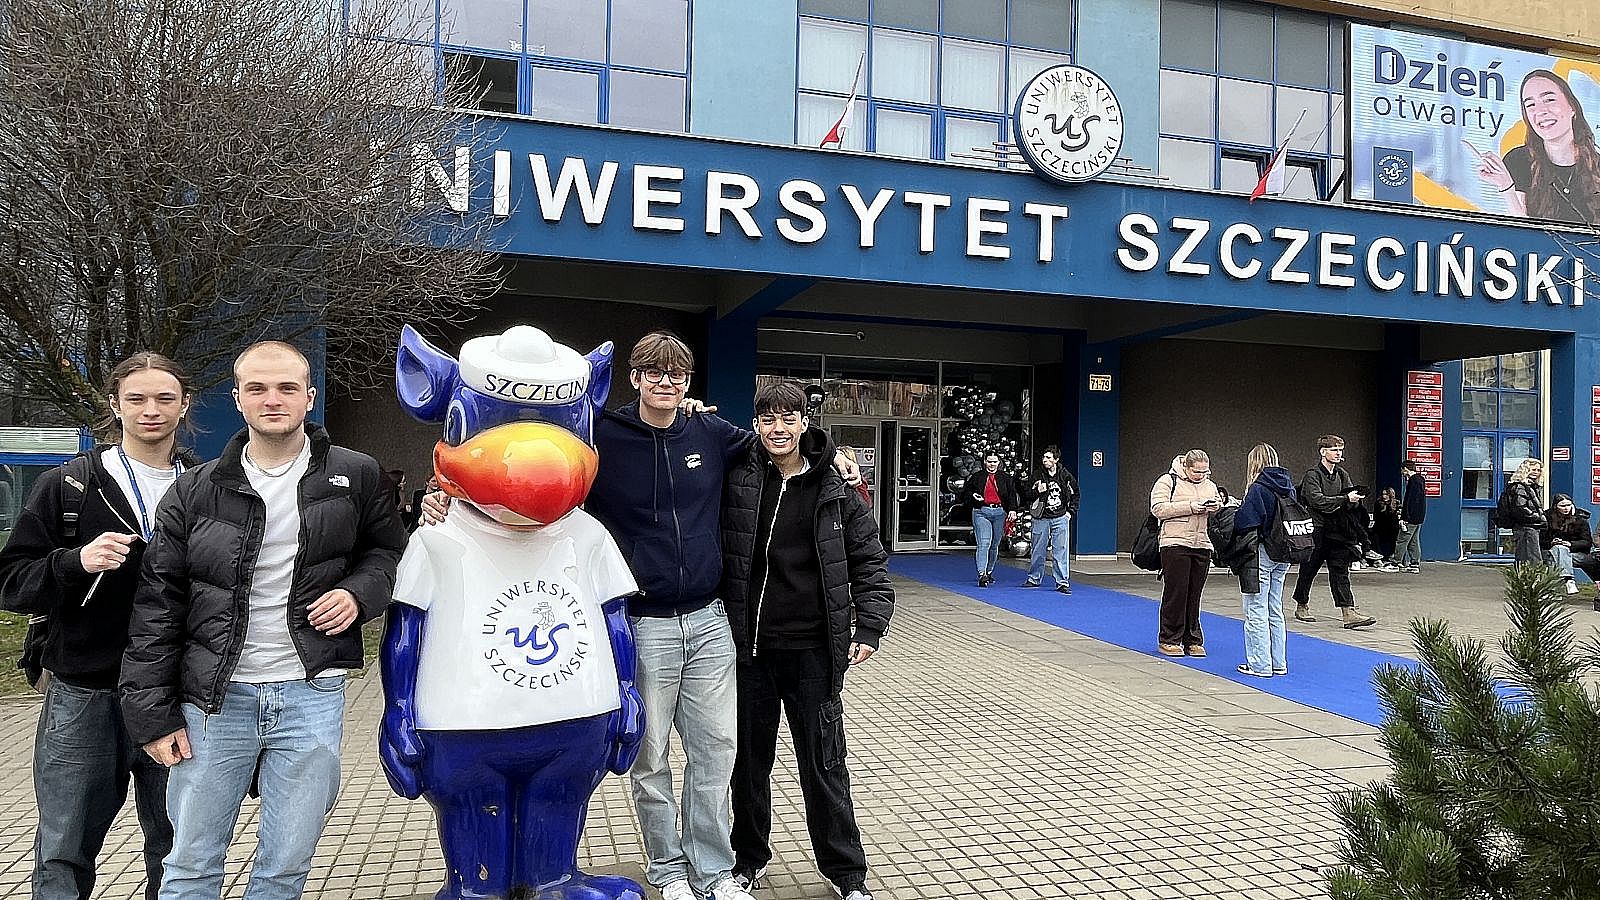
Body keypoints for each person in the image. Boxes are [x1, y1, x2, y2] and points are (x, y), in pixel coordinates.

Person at [418, 332, 857, 900]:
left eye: (677, 374)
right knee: (651, 758)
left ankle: (714, 870)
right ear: (635, 379)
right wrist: (443, 493)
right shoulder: (605, 434)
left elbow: (781, 446)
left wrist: (834, 459)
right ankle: (667, 868)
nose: (666, 383)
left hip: (709, 621)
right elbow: (528, 460)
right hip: (644, 623)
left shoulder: (710, 433)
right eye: (654, 373)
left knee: (716, 752)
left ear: (688, 381)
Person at [119, 340, 407, 900]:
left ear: (309, 397)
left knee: (285, 867)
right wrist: (152, 716)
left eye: (286, 388)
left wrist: (357, 594)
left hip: (311, 693)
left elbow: (388, 553)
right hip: (213, 700)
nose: (272, 399)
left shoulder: (356, 474)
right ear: (238, 399)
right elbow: (158, 606)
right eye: (257, 388)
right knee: (191, 864)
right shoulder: (195, 488)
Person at [0, 352, 194, 900]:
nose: (151, 410)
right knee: (64, 851)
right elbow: (10, 580)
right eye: (136, 399)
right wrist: (74, 562)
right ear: (115, 405)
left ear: (184, 407)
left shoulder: (206, 486)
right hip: (84, 695)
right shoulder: (71, 485)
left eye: (164, 398)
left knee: (180, 851)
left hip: (175, 695)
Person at [719, 382, 893, 900]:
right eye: (768, 419)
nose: (778, 429)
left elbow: (869, 562)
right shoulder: (740, 474)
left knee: (824, 766)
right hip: (750, 651)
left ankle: (846, 873)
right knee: (748, 767)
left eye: (788, 418)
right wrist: (687, 407)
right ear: (756, 424)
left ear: (803, 422)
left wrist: (869, 627)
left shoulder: (835, 486)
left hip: (814, 652)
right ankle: (747, 860)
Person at [1475, 69, 1600, 224]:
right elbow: (1521, 230)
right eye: (1530, 105)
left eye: (1549, 100)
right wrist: (1506, 186)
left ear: (1572, 107)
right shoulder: (1518, 160)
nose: (1540, 111)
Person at [1290, 435, 1378, 629]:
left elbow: (1348, 498)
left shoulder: (1341, 474)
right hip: (1317, 529)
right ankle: (1301, 604)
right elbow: (1317, 500)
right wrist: (1345, 499)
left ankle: (1348, 612)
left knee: (1340, 571)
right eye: (1334, 450)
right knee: (1309, 569)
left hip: (1338, 530)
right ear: (1323, 452)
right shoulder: (1312, 475)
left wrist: (1355, 499)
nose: (1338, 453)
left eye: (1340, 450)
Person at [1230, 444, 1296, 677]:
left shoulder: (1258, 488)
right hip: (1284, 552)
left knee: (1255, 608)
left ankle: (1260, 664)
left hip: (1262, 552)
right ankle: (1279, 662)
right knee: (1275, 608)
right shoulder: (1288, 486)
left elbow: (1245, 522)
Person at [1150, 450, 1224, 657]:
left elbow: (1218, 505)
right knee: (1176, 593)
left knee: (1194, 594)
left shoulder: (1210, 485)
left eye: (1204, 472)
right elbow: (1158, 508)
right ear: (1186, 466)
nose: (1200, 475)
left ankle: (1192, 639)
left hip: (1202, 543)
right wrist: (1191, 507)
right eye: (1196, 471)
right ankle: (1169, 638)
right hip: (1175, 543)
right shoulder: (1167, 481)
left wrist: (1216, 506)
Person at [1023, 445, 1079, 594]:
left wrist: (1070, 512)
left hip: (1060, 517)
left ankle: (1062, 582)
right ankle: (1034, 578)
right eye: (1044, 457)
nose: (1045, 460)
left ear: (1056, 459)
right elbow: (1026, 494)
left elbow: (1075, 493)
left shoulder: (1065, 475)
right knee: (1037, 549)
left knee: (1061, 551)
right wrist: (1037, 491)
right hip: (1041, 517)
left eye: (1048, 458)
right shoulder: (1037, 475)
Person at [961, 454, 1021, 587]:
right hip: (981, 511)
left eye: (994, 462)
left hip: (1000, 513)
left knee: (994, 544)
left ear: (999, 462)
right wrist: (973, 496)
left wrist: (1012, 510)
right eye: (989, 461)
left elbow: (1012, 495)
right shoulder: (977, 477)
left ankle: (989, 571)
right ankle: (982, 574)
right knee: (984, 543)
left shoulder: (1006, 478)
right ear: (985, 462)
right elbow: (966, 493)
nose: (992, 464)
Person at [1541, 493, 1599, 594]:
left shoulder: (1580, 520)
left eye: (1568, 505)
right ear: (1555, 506)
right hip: (1551, 551)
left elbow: (1587, 542)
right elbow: (1541, 540)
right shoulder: (1547, 519)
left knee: (1558, 555)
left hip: (1575, 553)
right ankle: (1569, 580)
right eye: (1562, 506)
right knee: (1558, 550)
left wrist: (1570, 544)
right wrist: (1552, 542)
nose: (1566, 508)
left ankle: (1553, 591)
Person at [1498, 458, 1547, 565]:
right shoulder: (1520, 487)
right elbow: (1520, 508)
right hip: (1526, 527)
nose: (1536, 472)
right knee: (1531, 558)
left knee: (1527, 557)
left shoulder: (1531, 487)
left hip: (1528, 526)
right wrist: (1539, 517)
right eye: (1533, 469)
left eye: (1538, 470)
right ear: (1526, 470)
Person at [1397, 460, 1427, 573]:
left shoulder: (1413, 481)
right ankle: (1415, 563)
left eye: (1402, 470)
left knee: (1402, 540)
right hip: (1418, 517)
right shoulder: (1420, 480)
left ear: (1405, 469)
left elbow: (1410, 501)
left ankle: (1396, 562)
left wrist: (1405, 517)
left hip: (1410, 518)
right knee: (1413, 541)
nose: (1401, 472)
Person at [1372, 487, 1401, 571]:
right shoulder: (1378, 503)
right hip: (1380, 526)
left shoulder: (1396, 503)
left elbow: (1398, 515)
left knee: (1393, 542)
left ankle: (1391, 558)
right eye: (1383, 494)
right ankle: (1379, 558)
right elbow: (1376, 516)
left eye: (1386, 494)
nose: (1384, 496)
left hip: (1392, 527)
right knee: (1377, 540)